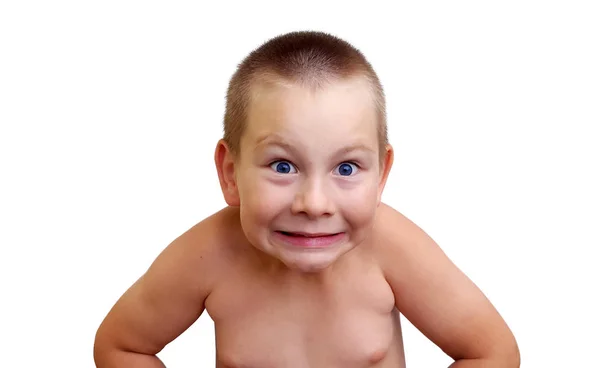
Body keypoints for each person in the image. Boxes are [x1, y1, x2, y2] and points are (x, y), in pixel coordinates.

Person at [93, 31, 519, 367]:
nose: (314, 204)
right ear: (230, 174)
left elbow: (492, 352)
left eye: (346, 169)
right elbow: (121, 346)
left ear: (382, 176)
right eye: (282, 166)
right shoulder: (206, 256)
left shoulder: (394, 249)